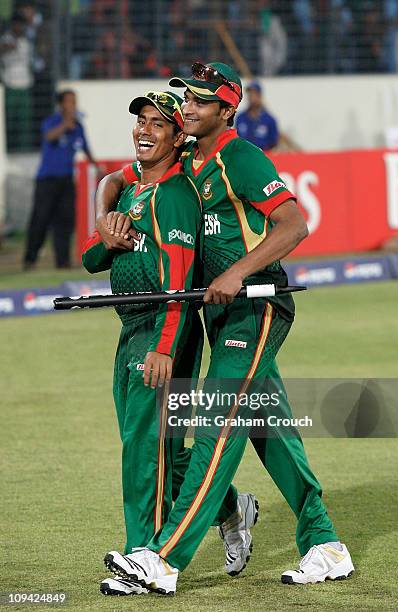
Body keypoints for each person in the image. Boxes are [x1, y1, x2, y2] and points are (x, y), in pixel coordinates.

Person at [100, 63, 354, 593]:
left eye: (198, 101)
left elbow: (295, 224)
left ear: (226, 110)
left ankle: (164, 559)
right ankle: (325, 544)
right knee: (271, 431)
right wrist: (105, 216)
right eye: (185, 98)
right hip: (218, 314)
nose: (186, 107)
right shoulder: (187, 155)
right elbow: (115, 179)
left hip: (257, 308)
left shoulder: (241, 156)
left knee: (219, 422)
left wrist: (237, 273)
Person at [84, 90, 258, 596]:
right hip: (131, 331)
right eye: (140, 121)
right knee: (150, 446)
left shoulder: (176, 194)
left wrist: (164, 348)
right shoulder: (135, 187)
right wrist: (106, 230)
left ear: (177, 136)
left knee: (146, 450)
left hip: (161, 334)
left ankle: (143, 553)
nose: (143, 130)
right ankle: (229, 506)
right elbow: (91, 259)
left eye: (157, 124)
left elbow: (180, 284)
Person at [23, 89, 97, 269]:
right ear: (61, 104)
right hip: (47, 180)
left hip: (66, 180)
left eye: (74, 101)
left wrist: (97, 167)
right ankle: (30, 259)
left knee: (65, 222)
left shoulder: (78, 127)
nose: (73, 105)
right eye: (69, 101)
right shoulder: (52, 122)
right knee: (40, 220)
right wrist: (66, 125)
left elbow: (85, 149)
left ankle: (63, 262)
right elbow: (49, 137)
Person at [236, 81, 301, 152]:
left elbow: (274, 144)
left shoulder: (269, 119)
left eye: (254, 94)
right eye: (249, 94)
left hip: (263, 157)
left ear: (259, 96)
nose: (251, 97)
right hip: (244, 156)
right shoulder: (240, 118)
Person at [0, 12, 33, 151]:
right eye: (18, 24)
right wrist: (8, 47)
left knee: (24, 123)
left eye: (22, 25)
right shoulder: (5, 39)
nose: (20, 27)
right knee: (9, 121)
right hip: (10, 85)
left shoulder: (26, 41)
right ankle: (8, 148)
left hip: (25, 85)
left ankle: (23, 149)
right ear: (13, 25)